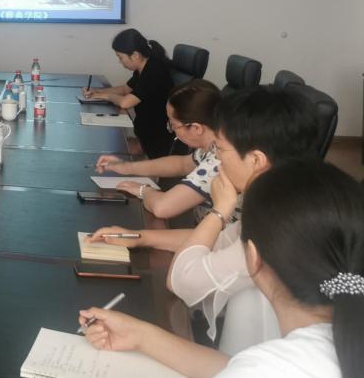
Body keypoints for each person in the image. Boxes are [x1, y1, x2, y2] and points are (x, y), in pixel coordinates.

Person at [87, 85, 319, 352]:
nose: (216, 158)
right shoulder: (284, 200)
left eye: (221, 149)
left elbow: (180, 280)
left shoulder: (278, 227)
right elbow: (220, 242)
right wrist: (140, 237)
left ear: (256, 160)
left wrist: (220, 210)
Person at [78, 163, 362, 378]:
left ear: (252, 256)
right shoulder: (333, 341)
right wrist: (141, 336)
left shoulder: (272, 367)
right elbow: (236, 366)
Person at [95, 79, 226, 220]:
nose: (172, 129)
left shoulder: (218, 160)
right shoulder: (214, 144)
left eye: (173, 125)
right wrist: (126, 167)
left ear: (196, 128)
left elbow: (162, 208)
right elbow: (182, 164)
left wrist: (143, 190)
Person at [83, 28, 175, 158]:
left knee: (110, 151)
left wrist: (105, 96)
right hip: (146, 132)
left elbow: (126, 103)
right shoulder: (143, 67)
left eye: (121, 57)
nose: (120, 62)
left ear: (135, 55)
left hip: (156, 139)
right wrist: (98, 91)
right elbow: (125, 89)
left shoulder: (154, 71)